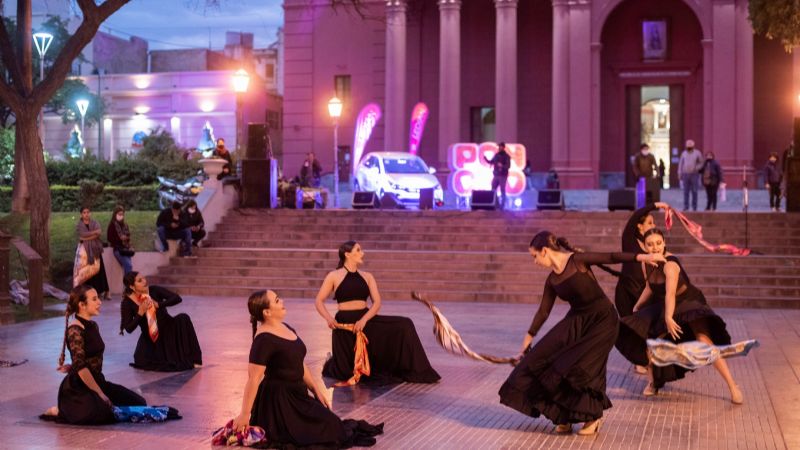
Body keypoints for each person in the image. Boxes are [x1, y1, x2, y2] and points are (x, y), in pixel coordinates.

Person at [498, 231, 665, 435]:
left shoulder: (577, 261)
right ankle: (564, 416)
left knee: (580, 368)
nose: (534, 261)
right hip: (577, 319)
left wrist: (645, 256)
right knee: (542, 359)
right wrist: (527, 341)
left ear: (544, 251)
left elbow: (611, 257)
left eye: (534, 256)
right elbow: (543, 311)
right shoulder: (552, 280)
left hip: (603, 319)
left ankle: (593, 418)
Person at [232, 289, 384, 447]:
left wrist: (316, 390)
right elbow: (253, 379)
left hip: (297, 394)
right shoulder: (263, 339)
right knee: (326, 431)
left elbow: (299, 363)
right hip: (279, 403)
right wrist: (244, 414)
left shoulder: (286, 327)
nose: (282, 301)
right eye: (277, 300)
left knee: (333, 424)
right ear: (267, 312)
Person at [616, 229, 743, 404]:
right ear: (644, 247)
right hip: (667, 304)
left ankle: (732, 385)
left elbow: (670, 294)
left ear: (664, 243)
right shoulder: (646, 262)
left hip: (687, 301)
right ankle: (653, 382)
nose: (655, 248)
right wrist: (637, 306)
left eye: (658, 243)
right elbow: (650, 287)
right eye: (650, 244)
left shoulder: (670, 265)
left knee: (703, 340)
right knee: (648, 338)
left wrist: (668, 318)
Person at [315, 241, 440, 384]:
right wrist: (329, 319)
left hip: (366, 320)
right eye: (359, 250)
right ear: (347, 254)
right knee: (345, 372)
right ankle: (335, 361)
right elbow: (319, 300)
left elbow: (377, 302)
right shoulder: (334, 276)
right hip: (345, 324)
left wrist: (363, 320)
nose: (363, 253)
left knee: (405, 324)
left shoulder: (367, 276)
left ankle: (418, 370)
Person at [41, 285, 148, 424]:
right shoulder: (75, 329)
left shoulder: (92, 325)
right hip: (78, 389)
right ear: (82, 305)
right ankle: (62, 410)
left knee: (138, 402)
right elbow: (81, 368)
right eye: (94, 299)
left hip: (97, 381)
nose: (100, 302)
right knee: (103, 413)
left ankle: (94, 401)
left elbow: (84, 358)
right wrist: (100, 394)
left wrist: (73, 366)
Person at [119, 272, 202, 371]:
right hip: (150, 335)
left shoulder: (154, 290)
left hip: (168, 327)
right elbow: (128, 328)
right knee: (143, 360)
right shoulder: (127, 302)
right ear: (132, 286)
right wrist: (140, 313)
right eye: (140, 281)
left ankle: (194, 359)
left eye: (143, 278)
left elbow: (177, 298)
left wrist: (159, 304)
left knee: (184, 318)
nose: (144, 281)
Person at [75, 207, 110, 300]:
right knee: (88, 271)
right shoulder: (79, 224)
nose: (86, 214)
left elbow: (98, 233)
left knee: (100, 270)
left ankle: (105, 291)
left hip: (95, 249)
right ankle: (90, 293)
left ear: (90, 213)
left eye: (88, 212)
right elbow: (82, 234)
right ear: (81, 214)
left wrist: (85, 238)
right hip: (85, 251)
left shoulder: (95, 223)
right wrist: (93, 234)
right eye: (84, 212)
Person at [484, 142, 511, 209]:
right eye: (499, 146)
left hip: (503, 175)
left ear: (503, 147)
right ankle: (496, 204)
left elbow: (508, 166)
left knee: (502, 190)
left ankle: (502, 205)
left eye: (500, 146)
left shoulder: (506, 156)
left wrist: (502, 166)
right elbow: (491, 162)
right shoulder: (496, 155)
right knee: (493, 189)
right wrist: (486, 159)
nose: (499, 148)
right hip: (496, 175)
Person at [107, 205, 133, 275]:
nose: (121, 216)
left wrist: (126, 238)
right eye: (119, 214)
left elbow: (128, 236)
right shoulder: (112, 225)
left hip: (126, 249)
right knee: (128, 266)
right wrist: (119, 238)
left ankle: (127, 283)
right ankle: (128, 284)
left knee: (129, 266)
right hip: (118, 249)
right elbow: (109, 238)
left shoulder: (125, 225)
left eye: (122, 214)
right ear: (115, 214)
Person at [678, 139, 704, 211]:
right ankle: (686, 206)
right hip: (685, 174)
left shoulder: (697, 153)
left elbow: (701, 163)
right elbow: (681, 164)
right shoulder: (684, 153)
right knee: (686, 191)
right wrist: (679, 173)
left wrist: (697, 168)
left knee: (694, 191)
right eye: (688, 147)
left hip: (694, 174)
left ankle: (694, 207)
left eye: (690, 146)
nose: (689, 148)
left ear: (693, 146)